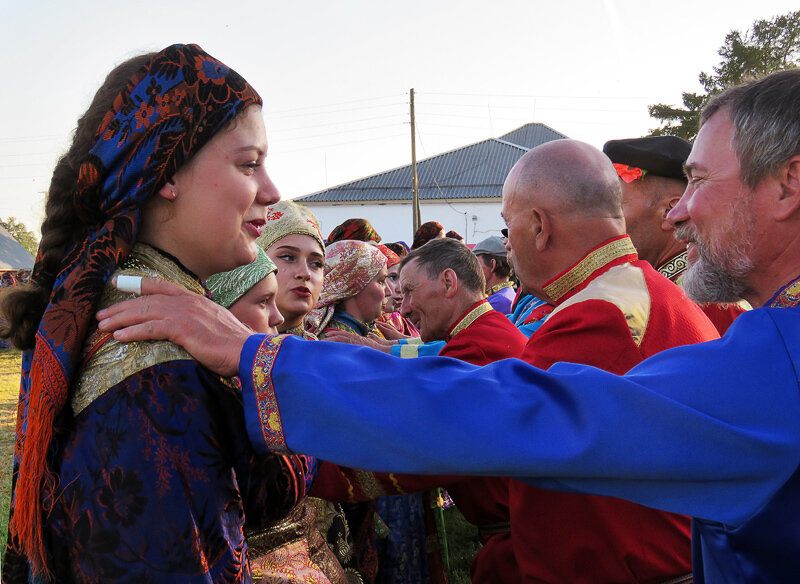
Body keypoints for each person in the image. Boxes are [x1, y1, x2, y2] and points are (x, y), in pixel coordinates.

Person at [98, 70, 800, 582]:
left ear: (787, 184)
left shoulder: (628, 315)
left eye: (701, 182)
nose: (677, 213)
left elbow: (507, 412)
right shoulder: (651, 304)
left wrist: (256, 356)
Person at [0, 44, 321, 583]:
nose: (271, 190)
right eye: (249, 164)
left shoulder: (107, 310)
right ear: (166, 173)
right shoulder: (156, 363)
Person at [604, 135, 749, 334]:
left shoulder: (718, 304)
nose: (603, 219)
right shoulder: (644, 289)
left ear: (670, 211)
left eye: (616, 206)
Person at [256, 200, 326, 339]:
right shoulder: (215, 352)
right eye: (288, 257)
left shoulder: (327, 356)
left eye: (317, 264)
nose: (305, 273)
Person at [471, 235, 515, 314]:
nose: (473, 270)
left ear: (492, 264)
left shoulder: (498, 302)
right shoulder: (507, 293)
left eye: (476, 264)